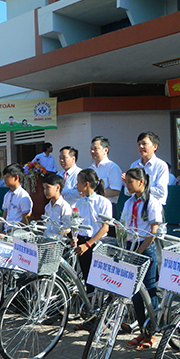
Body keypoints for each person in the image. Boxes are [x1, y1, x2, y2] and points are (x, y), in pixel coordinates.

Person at [122, 167, 163, 350]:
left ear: (141, 182)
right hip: (132, 248)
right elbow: (123, 224)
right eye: (127, 182)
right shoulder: (129, 202)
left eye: (131, 182)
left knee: (150, 290)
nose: (128, 185)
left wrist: (140, 250)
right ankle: (142, 329)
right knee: (136, 293)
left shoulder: (152, 202)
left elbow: (153, 232)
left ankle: (152, 332)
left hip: (146, 249)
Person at [73, 169, 112, 330]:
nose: (76, 185)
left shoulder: (103, 202)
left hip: (96, 244)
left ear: (86, 184)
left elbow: (105, 228)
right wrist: (75, 238)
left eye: (78, 182)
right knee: (88, 281)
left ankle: (102, 319)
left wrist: (88, 244)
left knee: (99, 282)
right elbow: (76, 225)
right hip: (82, 244)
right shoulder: (79, 202)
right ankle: (92, 317)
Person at [123, 131, 169, 206]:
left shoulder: (161, 165)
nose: (141, 147)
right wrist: (128, 183)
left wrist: (140, 188)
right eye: (139, 144)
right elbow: (127, 192)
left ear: (155, 147)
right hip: (136, 206)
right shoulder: (134, 165)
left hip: (154, 207)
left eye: (144, 144)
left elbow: (161, 192)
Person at [88, 136, 122, 204]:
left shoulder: (112, 167)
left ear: (105, 150)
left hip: (107, 206)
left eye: (95, 149)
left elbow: (115, 191)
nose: (92, 151)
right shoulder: (90, 169)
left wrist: (94, 194)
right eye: (91, 149)